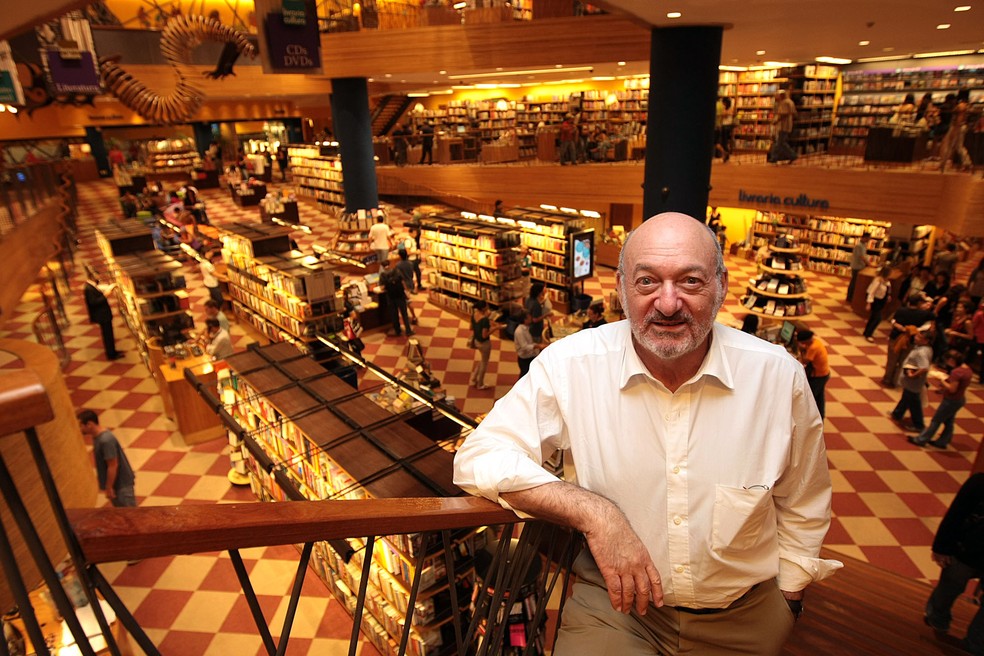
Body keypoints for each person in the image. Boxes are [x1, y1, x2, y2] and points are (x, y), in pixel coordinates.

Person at [454, 213, 841, 656]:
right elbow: (479, 455)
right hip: (617, 608)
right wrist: (596, 514)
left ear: (722, 285)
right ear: (621, 288)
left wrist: (789, 596)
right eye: (647, 282)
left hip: (745, 616)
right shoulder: (570, 366)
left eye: (691, 282)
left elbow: (803, 498)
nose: (669, 303)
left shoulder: (778, 378)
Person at [920, 472, 984, 655]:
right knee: (950, 586)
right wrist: (942, 547)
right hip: (966, 552)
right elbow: (957, 514)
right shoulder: (980, 482)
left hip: (968, 550)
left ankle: (975, 645)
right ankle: (937, 617)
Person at [909, 349, 973, 449]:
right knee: (949, 421)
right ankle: (943, 441)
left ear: (952, 360)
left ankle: (921, 439)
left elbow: (952, 389)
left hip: (951, 400)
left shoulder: (957, 372)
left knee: (936, 420)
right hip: (960, 399)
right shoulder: (967, 369)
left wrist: (942, 381)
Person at [77, 409, 136, 508]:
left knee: (132, 515)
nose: (79, 429)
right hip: (117, 485)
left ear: (89, 424)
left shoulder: (105, 440)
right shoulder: (98, 437)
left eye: (81, 426)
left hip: (121, 485)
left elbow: (113, 465)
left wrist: (109, 487)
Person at [882, 293, 935, 388]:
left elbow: (894, 321)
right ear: (919, 303)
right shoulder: (924, 314)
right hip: (911, 340)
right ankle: (896, 381)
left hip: (896, 338)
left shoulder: (901, 310)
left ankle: (887, 379)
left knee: (892, 360)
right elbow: (932, 318)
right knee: (903, 361)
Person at [889, 328, 933, 433]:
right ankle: (897, 413)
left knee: (914, 403)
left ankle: (919, 425)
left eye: (919, 337)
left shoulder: (921, 353)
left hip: (913, 382)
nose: (915, 338)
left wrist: (913, 376)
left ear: (926, 341)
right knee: (906, 397)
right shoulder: (925, 348)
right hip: (910, 383)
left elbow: (924, 367)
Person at [83, 271, 123, 361]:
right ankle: (111, 354)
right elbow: (93, 302)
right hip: (102, 315)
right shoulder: (88, 288)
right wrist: (106, 295)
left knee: (109, 334)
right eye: (97, 277)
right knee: (107, 335)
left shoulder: (92, 286)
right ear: (92, 277)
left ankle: (113, 351)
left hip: (103, 314)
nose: (99, 278)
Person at [796, 329, 831, 420]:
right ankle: (820, 417)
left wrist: (801, 350)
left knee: (810, 398)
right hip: (824, 374)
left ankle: (808, 419)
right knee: (819, 398)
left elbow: (805, 361)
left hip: (819, 376)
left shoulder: (813, 348)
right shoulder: (816, 342)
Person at [938, 88, 972, 172]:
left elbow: (959, 118)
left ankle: (943, 164)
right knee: (958, 146)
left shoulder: (961, 105)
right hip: (961, 126)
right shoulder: (967, 105)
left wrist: (956, 126)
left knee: (950, 145)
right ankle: (967, 163)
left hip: (957, 126)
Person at [380, 261, 413, 337]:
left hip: (391, 297)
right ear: (390, 264)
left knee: (394, 315)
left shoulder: (383, 275)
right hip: (400, 295)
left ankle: (398, 331)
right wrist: (406, 292)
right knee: (404, 314)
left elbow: (382, 287)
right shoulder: (396, 271)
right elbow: (402, 282)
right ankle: (408, 330)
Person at [863, 266, 892, 342]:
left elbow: (888, 290)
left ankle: (867, 331)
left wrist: (888, 296)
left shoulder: (887, 281)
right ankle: (869, 334)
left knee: (873, 317)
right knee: (878, 318)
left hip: (881, 301)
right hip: (875, 301)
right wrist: (869, 303)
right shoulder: (878, 280)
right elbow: (871, 292)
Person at [768, 89, 798, 164]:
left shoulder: (785, 102)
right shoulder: (790, 102)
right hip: (788, 125)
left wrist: (776, 121)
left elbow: (783, 114)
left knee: (780, 142)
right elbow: (794, 114)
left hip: (783, 125)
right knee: (780, 142)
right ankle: (776, 157)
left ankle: (791, 155)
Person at [469, 300, 492, 390]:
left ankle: (474, 377)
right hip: (484, 343)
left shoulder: (474, 315)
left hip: (476, 341)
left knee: (482, 359)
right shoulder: (485, 320)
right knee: (484, 363)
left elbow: (471, 327)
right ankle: (480, 383)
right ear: (483, 308)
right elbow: (485, 335)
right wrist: (495, 328)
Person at [512, 309, 541, 379]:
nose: (531, 318)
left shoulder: (525, 328)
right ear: (524, 320)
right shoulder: (519, 331)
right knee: (524, 378)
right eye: (529, 317)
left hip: (530, 355)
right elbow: (524, 346)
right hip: (525, 358)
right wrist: (538, 346)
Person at [395, 248, 419, 326]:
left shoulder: (398, 265)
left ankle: (414, 316)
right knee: (407, 300)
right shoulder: (410, 263)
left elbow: (399, 276)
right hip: (410, 282)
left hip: (404, 284)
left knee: (408, 301)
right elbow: (412, 274)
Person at [846, 234, 870, 302]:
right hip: (857, 266)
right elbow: (861, 257)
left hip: (860, 266)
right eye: (868, 238)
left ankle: (851, 297)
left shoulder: (863, 245)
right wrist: (869, 264)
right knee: (854, 282)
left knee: (855, 282)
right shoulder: (859, 246)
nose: (868, 240)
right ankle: (849, 297)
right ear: (864, 238)